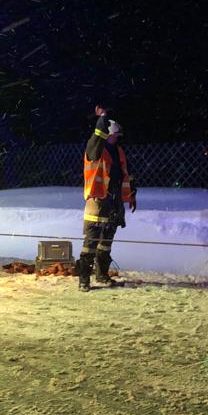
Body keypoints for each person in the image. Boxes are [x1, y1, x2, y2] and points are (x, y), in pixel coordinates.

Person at [77, 105, 137, 291]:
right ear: (107, 134)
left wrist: (131, 195)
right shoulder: (95, 149)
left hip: (113, 203)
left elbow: (125, 176)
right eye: (115, 135)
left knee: (106, 244)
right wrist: (102, 117)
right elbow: (97, 136)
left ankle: (102, 275)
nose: (117, 138)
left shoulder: (118, 152)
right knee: (91, 244)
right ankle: (84, 280)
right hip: (97, 203)